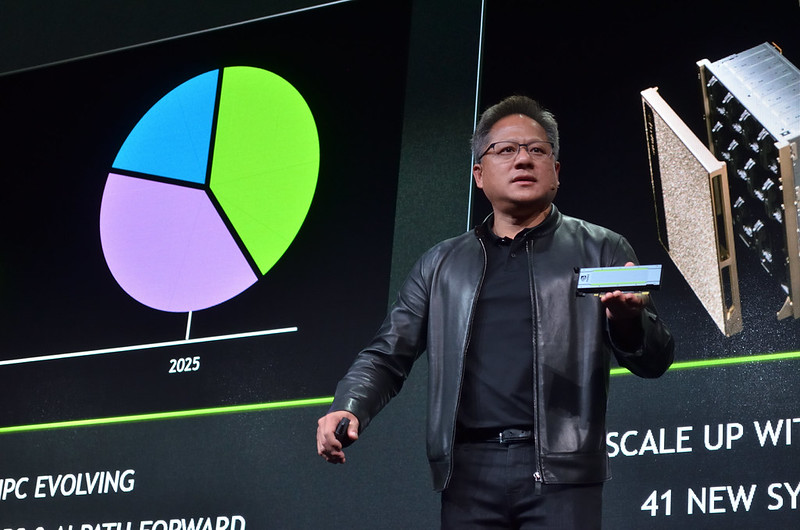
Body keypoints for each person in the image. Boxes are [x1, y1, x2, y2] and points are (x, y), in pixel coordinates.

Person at [316, 95, 674, 528]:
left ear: (556, 171)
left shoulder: (602, 248)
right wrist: (349, 405)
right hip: (467, 474)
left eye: (537, 149)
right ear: (479, 175)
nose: (523, 159)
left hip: (563, 472)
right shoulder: (441, 265)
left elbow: (656, 360)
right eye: (506, 150)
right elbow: (387, 354)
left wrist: (628, 321)